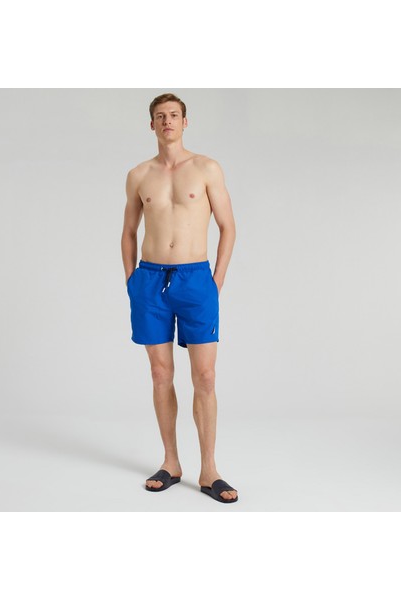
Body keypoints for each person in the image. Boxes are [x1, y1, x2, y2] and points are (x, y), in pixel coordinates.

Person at [121, 93, 238, 503]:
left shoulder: (206, 168)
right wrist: (132, 281)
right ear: (151, 124)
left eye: (174, 115)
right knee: (160, 374)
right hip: (150, 280)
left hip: (195, 279)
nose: (167, 121)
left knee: (205, 377)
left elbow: (228, 226)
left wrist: (215, 281)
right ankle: (171, 462)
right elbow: (129, 231)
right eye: (160, 116)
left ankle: (209, 470)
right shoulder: (139, 174)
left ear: (185, 122)